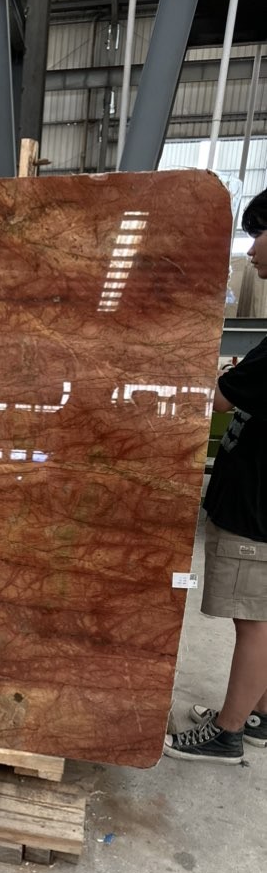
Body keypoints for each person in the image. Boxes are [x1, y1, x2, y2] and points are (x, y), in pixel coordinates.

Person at [165, 186, 267, 764]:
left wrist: (169, 369)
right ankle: (256, 715)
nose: (250, 251)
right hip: (253, 500)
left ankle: (227, 734)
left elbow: (220, 399)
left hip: (256, 510)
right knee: (261, 617)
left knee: (253, 622)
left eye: (258, 236)